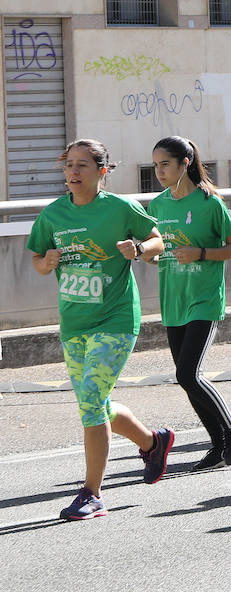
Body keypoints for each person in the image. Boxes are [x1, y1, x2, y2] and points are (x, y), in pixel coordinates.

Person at [26, 139, 173, 521]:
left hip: (116, 319)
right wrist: (49, 261)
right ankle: (152, 442)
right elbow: (38, 262)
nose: (73, 173)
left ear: (102, 171)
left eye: (82, 166)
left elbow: (158, 239)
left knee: (91, 399)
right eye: (68, 166)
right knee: (98, 404)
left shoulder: (120, 208)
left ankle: (92, 494)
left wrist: (139, 250)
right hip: (74, 324)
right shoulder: (53, 215)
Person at [146, 136, 231, 471]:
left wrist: (200, 253)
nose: (159, 171)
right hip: (173, 300)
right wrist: (147, 254)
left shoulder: (210, 204)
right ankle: (217, 446)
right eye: (156, 165)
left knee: (189, 374)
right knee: (184, 377)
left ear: (184, 163)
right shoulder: (158, 206)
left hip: (204, 299)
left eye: (165, 164)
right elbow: (157, 247)